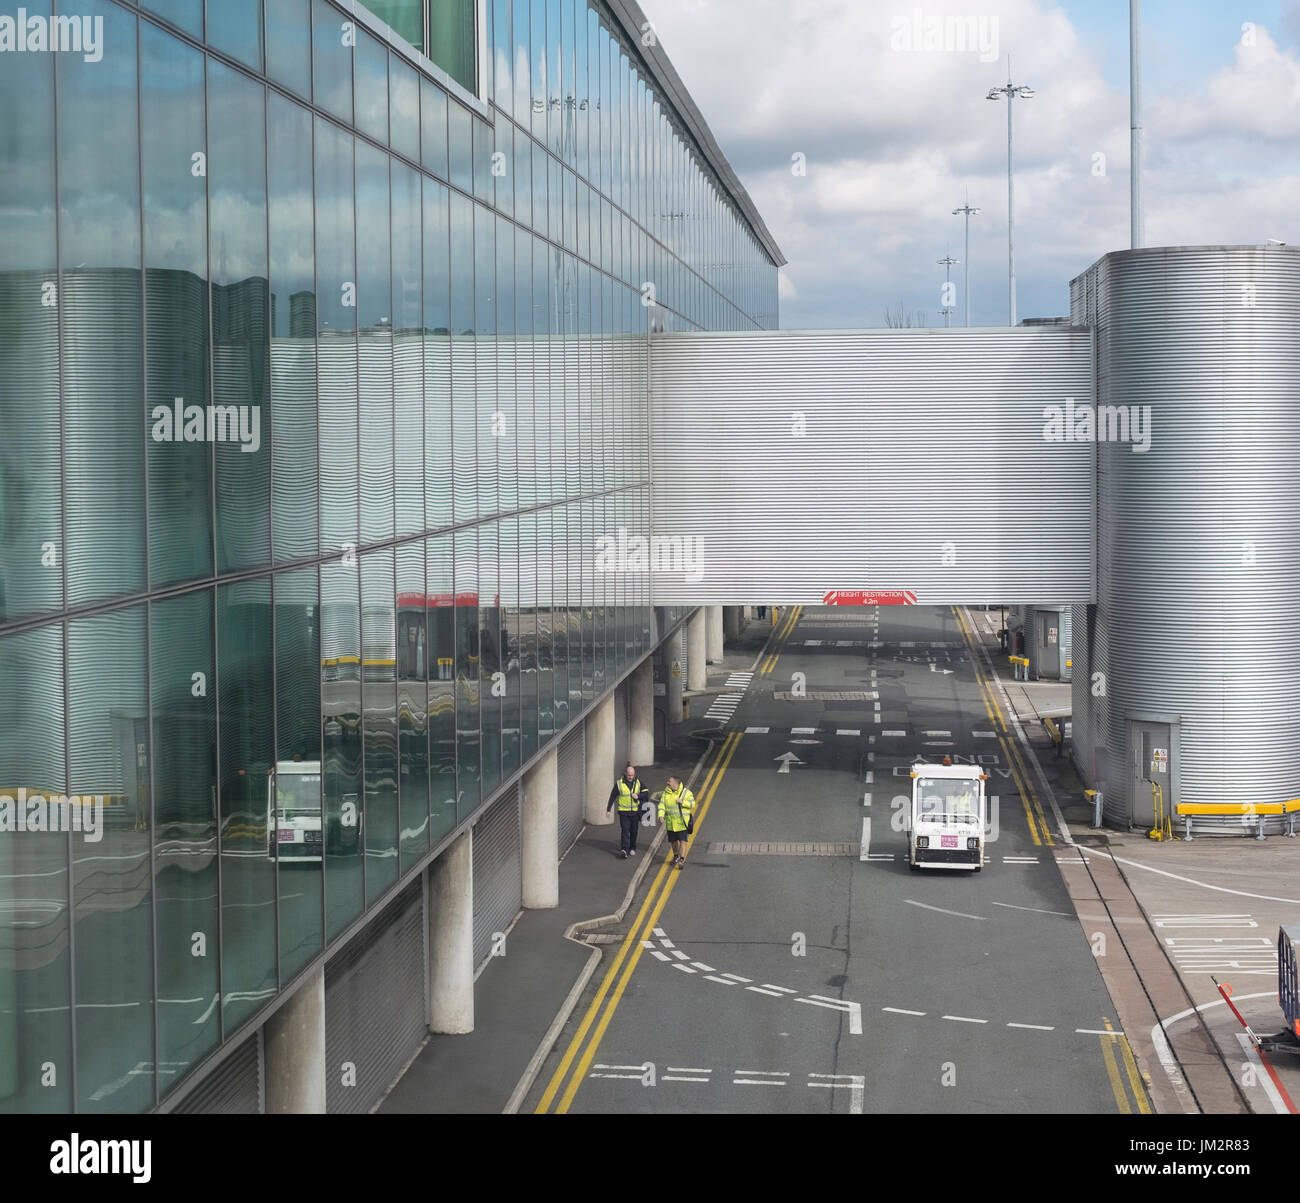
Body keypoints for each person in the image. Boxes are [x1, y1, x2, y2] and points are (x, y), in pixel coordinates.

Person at [606, 764, 649, 859]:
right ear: (625, 773)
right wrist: (608, 809)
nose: (630, 777)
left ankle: (632, 847)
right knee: (625, 830)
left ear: (634, 774)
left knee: (634, 831)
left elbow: (646, 793)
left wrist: (638, 796)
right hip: (623, 812)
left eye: (632, 775)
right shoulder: (619, 784)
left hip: (635, 812)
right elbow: (613, 796)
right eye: (629, 775)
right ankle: (624, 850)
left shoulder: (638, 782)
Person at [658, 774, 696, 869]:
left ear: (676, 783)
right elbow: (662, 805)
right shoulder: (666, 793)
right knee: (674, 842)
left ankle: (682, 859)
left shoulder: (686, 793)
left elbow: (692, 804)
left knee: (683, 841)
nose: (668, 783)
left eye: (670, 781)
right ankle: (675, 856)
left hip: (682, 823)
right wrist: (661, 816)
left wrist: (682, 802)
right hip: (671, 823)